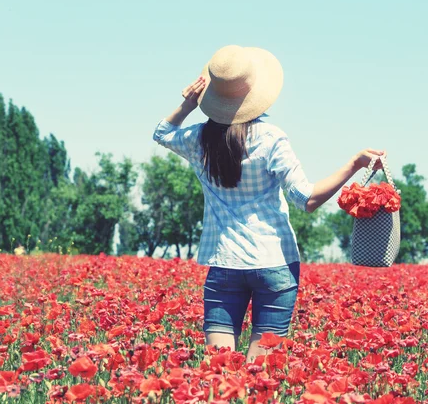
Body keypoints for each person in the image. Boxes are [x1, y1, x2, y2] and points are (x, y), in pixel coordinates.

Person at [153, 45, 385, 362]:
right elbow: (308, 199)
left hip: (225, 264)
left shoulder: (198, 138)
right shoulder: (270, 137)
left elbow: (162, 133)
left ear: (213, 96)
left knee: (218, 370)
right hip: (274, 262)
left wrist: (186, 105)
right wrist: (354, 164)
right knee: (260, 376)